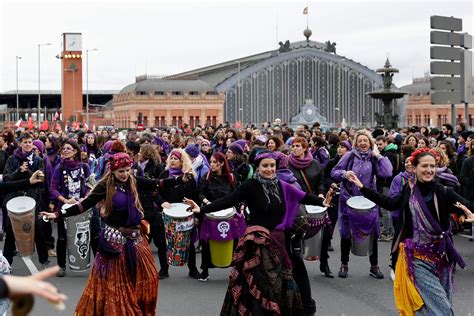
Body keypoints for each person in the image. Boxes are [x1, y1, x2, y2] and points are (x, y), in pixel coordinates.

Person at [186, 151, 334, 316]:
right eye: (265, 166)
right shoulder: (250, 185)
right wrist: (202, 209)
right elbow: (229, 200)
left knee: (278, 284)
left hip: (279, 242)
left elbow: (304, 197)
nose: (269, 169)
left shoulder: (282, 186)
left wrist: (323, 201)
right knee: (259, 285)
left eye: (272, 166)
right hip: (257, 243)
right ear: (258, 168)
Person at [41, 153, 187, 315]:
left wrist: (181, 179)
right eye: (121, 171)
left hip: (135, 238)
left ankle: (136, 308)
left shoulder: (134, 181)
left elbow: (158, 183)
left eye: (127, 170)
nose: (125, 174)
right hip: (113, 240)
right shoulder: (105, 186)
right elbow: (84, 205)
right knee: (116, 285)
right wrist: (58, 214)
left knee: (149, 275)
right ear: (113, 171)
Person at [346, 149, 474, 315]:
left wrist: (469, 214)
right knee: (441, 310)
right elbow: (390, 203)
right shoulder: (409, 189)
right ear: (414, 168)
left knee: (438, 306)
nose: (429, 170)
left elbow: (468, 206)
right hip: (417, 259)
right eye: (424, 166)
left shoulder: (444, 192)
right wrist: (362, 187)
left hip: (442, 259)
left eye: (432, 166)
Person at [330, 130, 393, 279]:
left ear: (370, 143)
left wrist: (378, 155)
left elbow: (388, 172)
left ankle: (374, 266)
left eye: (366, 141)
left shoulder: (373, 158)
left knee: (372, 232)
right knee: (346, 233)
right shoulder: (349, 155)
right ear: (356, 143)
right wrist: (344, 174)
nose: (363, 143)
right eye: (360, 141)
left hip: (369, 201)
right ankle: (344, 264)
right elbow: (334, 172)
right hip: (348, 199)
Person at [2, 132, 49, 268]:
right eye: (25, 142)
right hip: (14, 199)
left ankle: (43, 259)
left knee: (37, 228)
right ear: (20, 143)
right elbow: (6, 179)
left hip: (32, 199)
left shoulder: (38, 160)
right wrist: (19, 171)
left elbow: (40, 180)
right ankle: (7, 263)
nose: (28, 145)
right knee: (11, 231)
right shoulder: (12, 159)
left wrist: (27, 172)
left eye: (30, 142)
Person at [155, 149, 200, 279]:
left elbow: (194, 196)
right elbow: (156, 191)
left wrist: (196, 215)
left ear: (182, 161)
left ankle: (193, 269)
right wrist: (162, 202)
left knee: (189, 242)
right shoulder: (165, 174)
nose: (172, 161)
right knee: (164, 243)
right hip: (167, 213)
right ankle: (164, 269)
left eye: (175, 159)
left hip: (185, 215)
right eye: (171, 158)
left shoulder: (188, 177)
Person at [49, 140, 91, 277]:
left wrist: (85, 198)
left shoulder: (84, 167)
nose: (65, 150)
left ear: (75, 151)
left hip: (82, 207)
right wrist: (65, 200)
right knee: (62, 238)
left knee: (85, 236)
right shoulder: (59, 168)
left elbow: (91, 186)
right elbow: (53, 189)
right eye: (63, 148)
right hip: (64, 207)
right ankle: (61, 266)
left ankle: (88, 264)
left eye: (68, 148)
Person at [197, 152, 235, 281]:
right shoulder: (206, 177)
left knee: (231, 241)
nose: (212, 164)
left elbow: (235, 194)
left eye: (215, 162)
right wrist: (208, 204)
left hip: (227, 214)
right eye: (211, 162)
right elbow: (200, 194)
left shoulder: (231, 177)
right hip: (209, 213)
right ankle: (205, 270)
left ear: (222, 163)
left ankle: (234, 269)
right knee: (206, 241)